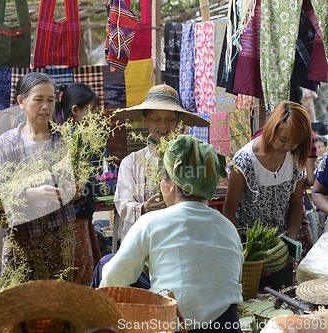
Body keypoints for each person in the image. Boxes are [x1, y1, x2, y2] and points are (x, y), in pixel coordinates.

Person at [100, 135, 243, 332]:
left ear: (171, 185)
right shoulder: (228, 227)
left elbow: (113, 280)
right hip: (226, 325)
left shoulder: (151, 222)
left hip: (175, 324)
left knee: (106, 264)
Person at [0, 72, 77, 281]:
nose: (45, 106)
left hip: (59, 236)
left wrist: (73, 190)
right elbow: (0, 195)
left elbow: (73, 186)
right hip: (21, 237)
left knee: (57, 304)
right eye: (38, 99)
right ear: (21, 102)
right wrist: (33, 193)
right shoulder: (7, 142)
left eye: (50, 100)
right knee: (20, 306)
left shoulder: (65, 140)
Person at [113, 84, 210, 239]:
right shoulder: (130, 163)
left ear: (179, 122)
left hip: (181, 237)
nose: (163, 125)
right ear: (145, 121)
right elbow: (122, 204)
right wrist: (144, 208)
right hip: (141, 240)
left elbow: (201, 202)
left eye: (170, 119)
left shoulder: (191, 160)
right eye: (155, 119)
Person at [223, 101, 312, 239]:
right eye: (283, 140)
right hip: (250, 240)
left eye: (295, 142)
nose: (288, 146)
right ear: (272, 129)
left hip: (283, 239)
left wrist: (291, 240)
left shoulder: (294, 158)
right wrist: (247, 249)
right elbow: (229, 212)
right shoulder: (244, 161)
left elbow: (295, 203)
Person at [53, 82, 102, 285]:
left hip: (78, 216)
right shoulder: (74, 140)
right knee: (80, 273)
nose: (97, 117)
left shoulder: (61, 137)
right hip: (74, 218)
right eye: (93, 111)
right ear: (75, 110)